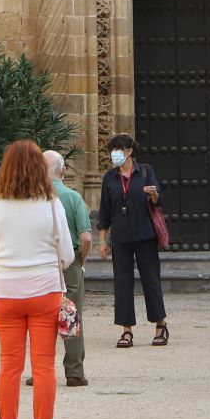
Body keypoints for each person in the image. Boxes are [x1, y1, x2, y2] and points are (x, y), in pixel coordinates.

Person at [0, 140, 73, 419]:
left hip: (6, 291)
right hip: (44, 290)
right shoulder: (51, 203)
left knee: (9, 364)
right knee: (44, 364)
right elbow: (68, 255)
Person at [96, 133, 168, 348]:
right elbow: (104, 211)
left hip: (145, 234)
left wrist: (153, 195)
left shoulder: (145, 171)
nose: (114, 153)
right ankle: (126, 330)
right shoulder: (110, 177)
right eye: (112, 149)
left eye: (118, 149)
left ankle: (160, 325)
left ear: (129, 151)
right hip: (121, 237)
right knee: (123, 283)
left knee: (151, 280)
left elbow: (159, 201)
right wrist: (102, 241)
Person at [43, 150, 93, 387]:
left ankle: (41, 370)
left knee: (41, 317)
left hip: (42, 263)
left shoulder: (35, 197)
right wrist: (80, 262)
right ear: (63, 170)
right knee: (73, 314)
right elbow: (86, 238)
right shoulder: (73, 198)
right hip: (70, 261)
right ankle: (74, 370)